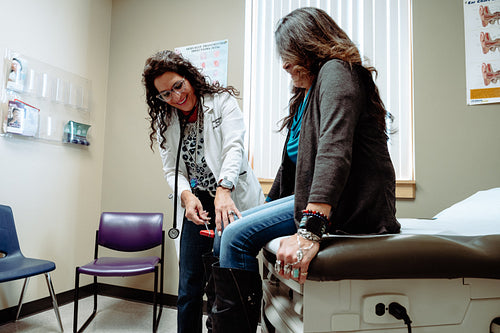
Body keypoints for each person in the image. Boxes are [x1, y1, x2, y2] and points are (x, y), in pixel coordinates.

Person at [211, 7, 401, 332]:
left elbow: (334, 149)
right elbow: (291, 167)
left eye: (287, 54)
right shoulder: (305, 95)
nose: (284, 64)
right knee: (223, 237)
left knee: (235, 237)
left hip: (346, 205)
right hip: (314, 199)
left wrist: (311, 229)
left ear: (308, 45)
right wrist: (264, 210)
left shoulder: (338, 72)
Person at [142, 50, 264, 333]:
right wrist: (186, 197)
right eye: (165, 94)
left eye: (177, 86)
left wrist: (224, 188)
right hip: (195, 205)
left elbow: (235, 147)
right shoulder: (166, 121)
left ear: (189, 77)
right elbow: (173, 170)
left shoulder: (221, 102)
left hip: (230, 198)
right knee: (188, 284)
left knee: (226, 282)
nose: (175, 97)